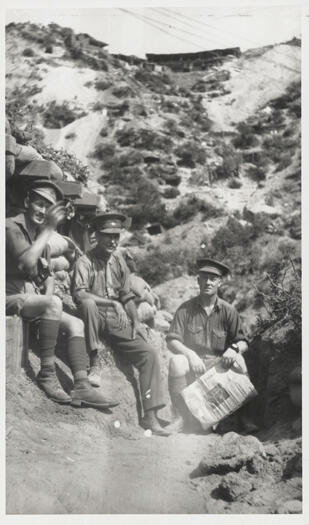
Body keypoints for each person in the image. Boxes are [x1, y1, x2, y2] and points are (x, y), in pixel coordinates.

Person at [6, 179, 118, 410]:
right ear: (27, 202)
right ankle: (46, 374)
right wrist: (48, 230)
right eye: (38, 204)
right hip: (6, 295)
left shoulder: (40, 235)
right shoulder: (11, 226)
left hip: (28, 299)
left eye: (48, 207)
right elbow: (27, 264)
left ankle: (82, 386)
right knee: (53, 303)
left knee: (76, 323)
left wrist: (48, 307)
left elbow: (46, 274)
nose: (42, 211)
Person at [71, 212, 169, 436]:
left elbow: (126, 296)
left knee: (149, 354)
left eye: (116, 236)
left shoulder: (119, 261)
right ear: (96, 235)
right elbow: (79, 294)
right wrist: (111, 303)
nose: (113, 241)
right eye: (108, 236)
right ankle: (94, 363)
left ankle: (150, 416)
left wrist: (135, 321)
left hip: (116, 319)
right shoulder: (84, 262)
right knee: (88, 304)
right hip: (93, 315)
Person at [165, 258, 251, 433]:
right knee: (177, 362)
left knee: (240, 360)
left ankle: (244, 417)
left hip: (219, 367)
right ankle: (181, 418)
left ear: (219, 282)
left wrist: (233, 350)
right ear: (198, 280)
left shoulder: (228, 311)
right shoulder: (185, 309)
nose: (208, 282)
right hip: (193, 369)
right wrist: (190, 354)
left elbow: (243, 341)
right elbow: (172, 340)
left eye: (213, 278)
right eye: (204, 277)